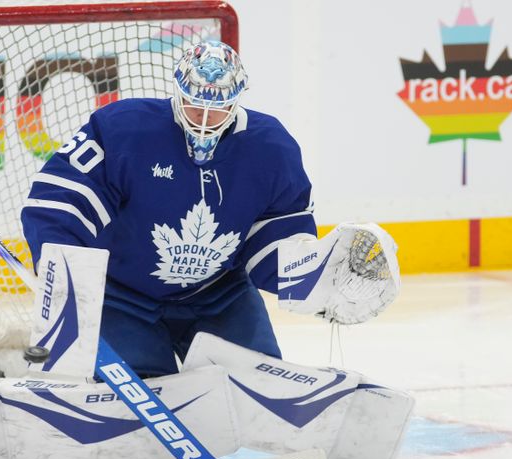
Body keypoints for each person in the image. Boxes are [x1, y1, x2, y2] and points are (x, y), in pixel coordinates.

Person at [20, 41, 318, 377]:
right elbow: (59, 199)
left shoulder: (270, 148)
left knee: (262, 386)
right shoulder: (125, 130)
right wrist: (62, 263)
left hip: (221, 296)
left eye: (218, 108)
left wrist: (315, 280)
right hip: (122, 299)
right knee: (134, 400)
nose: (205, 119)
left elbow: (277, 236)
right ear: (178, 92)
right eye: (195, 104)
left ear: (237, 101)